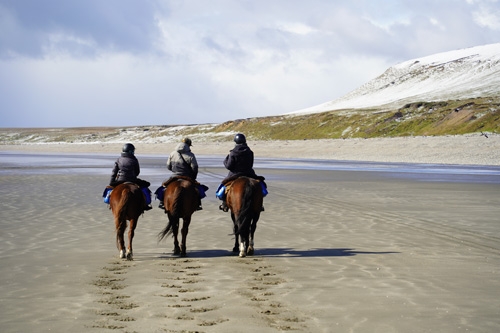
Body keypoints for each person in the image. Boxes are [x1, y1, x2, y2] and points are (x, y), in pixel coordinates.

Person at [217, 133, 266, 212]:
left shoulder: (233, 153)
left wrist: (225, 161)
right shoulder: (250, 152)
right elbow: (251, 164)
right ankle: (259, 205)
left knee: (221, 189)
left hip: (234, 175)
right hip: (249, 173)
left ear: (235, 142)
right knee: (262, 187)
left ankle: (224, 204)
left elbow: (229, 166)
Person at [158, 137, 205, 210]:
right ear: (188, 145)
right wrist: (193, 177)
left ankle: (162, 202)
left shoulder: (172, 153)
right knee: (197, 189)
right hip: (187, 176)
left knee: (163, 186)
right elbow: (195, 168)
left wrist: (174, 171)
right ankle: (198, 204)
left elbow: (168, 166)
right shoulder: (191, 155)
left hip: (174, 175)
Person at [109, 143, 152, 210]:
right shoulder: (134, 159)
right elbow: (137, 172)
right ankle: (146, 204)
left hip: (120, 180)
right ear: (130, 151)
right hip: (132, 180)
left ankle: (110, 203)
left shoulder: (118, 160)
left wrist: (112, 182)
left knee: (110, 189)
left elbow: (114, 173)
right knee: (146, 185)